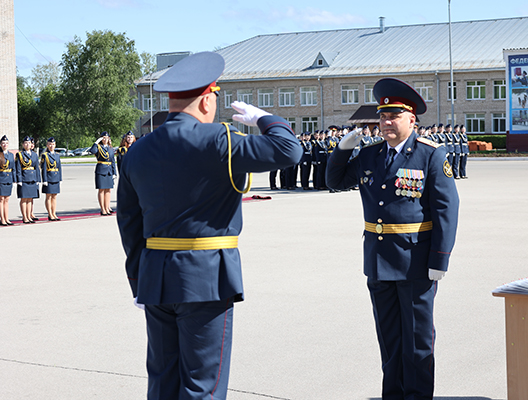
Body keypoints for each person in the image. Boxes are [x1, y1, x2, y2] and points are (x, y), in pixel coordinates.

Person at [116, 51, 301, 400]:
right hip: (206, 279)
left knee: (162, 384)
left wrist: (139, 281)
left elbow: (128, 221)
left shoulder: (137, 151)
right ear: (205, 100)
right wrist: (266, 118)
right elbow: (289, 150)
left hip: (155, 279)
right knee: (203, 387)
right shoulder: (219, 140)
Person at [326, 78, 459, 399]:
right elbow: (334, 181)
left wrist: (440, 259)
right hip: (378, 262)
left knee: (416, 342)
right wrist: (343, 149)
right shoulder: (370, 156)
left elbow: (446, 210)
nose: (386, 122)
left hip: (416, 263)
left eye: (394, 116)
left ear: (412, 120)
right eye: (383, 116)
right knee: (389, 340)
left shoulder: (430, 155)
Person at [90, 131, 116, 216]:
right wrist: (96, 142)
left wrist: (114, 172)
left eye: (107, 138)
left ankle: (107, 207)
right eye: (103, 138)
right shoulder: (98, 147)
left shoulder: (110, 148)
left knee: (108, 190)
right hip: (101, 170)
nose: (105, 140)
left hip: (109, 170)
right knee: (101, 190)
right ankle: (103, 209)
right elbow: (92, 151)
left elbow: (112, 161)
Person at [15, 136, 40, 224]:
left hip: (32, 178)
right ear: (23, 144)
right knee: (24, 199)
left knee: (30, 199)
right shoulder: (20, 155)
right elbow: (18, 168)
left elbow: (37, 168)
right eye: (25, 143)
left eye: (29, 143)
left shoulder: (34, 154)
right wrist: (19, 180)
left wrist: (38, 179)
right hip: (24, 178)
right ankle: (24, 217)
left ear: (31, 144)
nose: (27, 144)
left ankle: (29, 216)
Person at [40, 137, 62, 221]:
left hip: (55, 177)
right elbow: (43, 168)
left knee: (54, 196)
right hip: (49, 178)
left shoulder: (57, 155)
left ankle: (54, 213)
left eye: (53, 144)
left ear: (55, 145)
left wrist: (60, 178)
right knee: (48, 197)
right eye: (50, 144)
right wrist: (44, 180)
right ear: (47, 145)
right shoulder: (45, 155)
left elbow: (59, 167)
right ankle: (49, 214)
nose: (51, 146)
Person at [0, 135, 16, 226]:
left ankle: (7, 218)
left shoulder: (10, 155)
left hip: (8, 178)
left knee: (7, 199)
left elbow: (13, 168)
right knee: (1, 199)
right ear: (0, 144)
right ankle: (2, 219)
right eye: (3, 143)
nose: (5, 145)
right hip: (1, 178)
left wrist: (14, 180)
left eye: (6, 143)